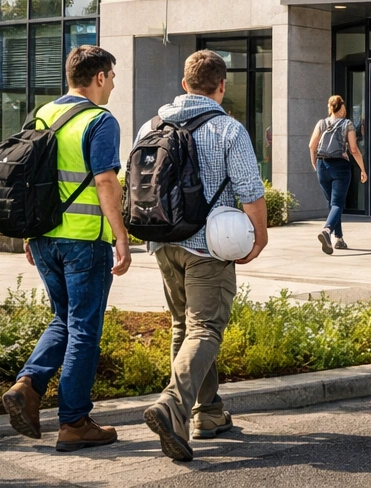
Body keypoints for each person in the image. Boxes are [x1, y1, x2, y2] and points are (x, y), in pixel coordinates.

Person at [141, 50, 269, 462]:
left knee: (186, 326)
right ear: (221, 86)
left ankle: (208, 413)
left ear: (184, 84)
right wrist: (260, 237)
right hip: (208, 247)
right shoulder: (228, 129)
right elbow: (250, 189)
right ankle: (172, 406)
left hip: (163, 241)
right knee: (206, 329)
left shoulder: (152, 124)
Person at [2, 45, 130, 452]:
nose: (112, 83)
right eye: (111, 75)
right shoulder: (100, 120)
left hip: (42, 238)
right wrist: (121, 235)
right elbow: (106, 180)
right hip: (84, 241)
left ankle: (28, 384)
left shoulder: (42, 114)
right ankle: (74, 422)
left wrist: (28, 233)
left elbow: (28, 178)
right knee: (85, 330)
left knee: (64, 318)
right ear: (98, 78)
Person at [309, 94, 367, 254]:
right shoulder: (347, 124)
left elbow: (311, 145)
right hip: (340, 166)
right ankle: (327, 231)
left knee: (333, 203)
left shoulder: (321, 123)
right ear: (341, 107)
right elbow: (354, 149)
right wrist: (362, 169)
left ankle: (339, 238)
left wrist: (314, 162)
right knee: (338, 203)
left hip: (322, 165)